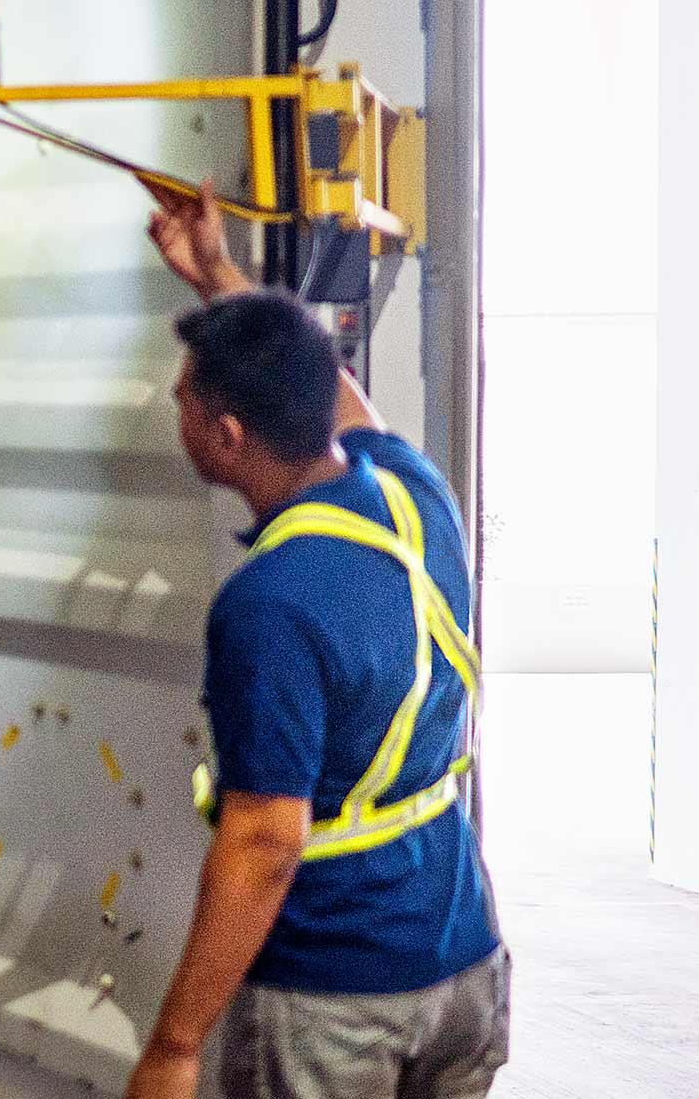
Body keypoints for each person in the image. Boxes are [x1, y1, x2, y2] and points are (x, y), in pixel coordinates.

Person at [130, 187, 507, 1099]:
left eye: (184, 401)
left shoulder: (270, 605)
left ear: (226, 436)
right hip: (464, 964)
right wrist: (218, 275)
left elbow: (266, 839)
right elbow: (334, 395)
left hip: (338, 1002)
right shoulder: (413, 494)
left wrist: (176, 1045)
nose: (176, 409)